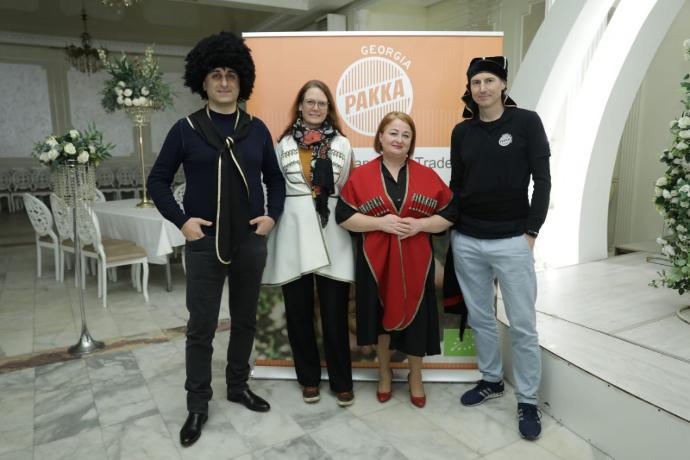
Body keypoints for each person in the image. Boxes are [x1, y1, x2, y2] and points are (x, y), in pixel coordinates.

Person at [147, 31, 285, 447]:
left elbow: (275, 180)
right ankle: (197, 403)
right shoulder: (185, 130)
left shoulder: (257, 130)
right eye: (215, 76)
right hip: (204, 243)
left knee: (245, 320)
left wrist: (271, 217)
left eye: (231, 75)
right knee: (201, 327)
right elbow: (157, 181)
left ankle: (238, 386)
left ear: (242, 82)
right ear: (202, 82)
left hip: (248, 242)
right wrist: (182, 220)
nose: (224, 83)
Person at [449, 56, 551, 440]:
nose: (483, 89)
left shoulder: (527, 122)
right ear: (470, 89)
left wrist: (531, 233)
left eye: (490, 81)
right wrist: (452, 227)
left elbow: (542, 181)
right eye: (476, 83)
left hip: (512, 240)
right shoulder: (463, 132)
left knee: (523, 325)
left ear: (503, 85)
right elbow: (458, 186)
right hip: (469, 240)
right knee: (481, 317)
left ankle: (527, 400)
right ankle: (491, 380)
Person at [336, 112, 455, 409]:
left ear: (412, 142)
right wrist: (381, 223)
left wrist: (421, 225)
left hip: (418, 263)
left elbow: (450, 215)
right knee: (380, 320)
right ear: (380, 137)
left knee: (417, 323)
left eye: (405, 135)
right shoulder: (361, 177)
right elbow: (344, 217)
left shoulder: (427, 176)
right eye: (393, 133)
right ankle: (384, 372)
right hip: (375, 265)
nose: (399, 139)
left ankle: (416, 376)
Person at [261, 80, 355, 406]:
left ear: (329, 109)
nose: (315, 108)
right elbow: (273, 186)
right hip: (293, 233)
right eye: (309, 102)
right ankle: (309, 379)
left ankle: (342, 381)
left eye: (322, 103)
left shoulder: (343, 144)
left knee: (334, 313)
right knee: (298, 312)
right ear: (300, 106)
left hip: (332, 233)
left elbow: (345, 187)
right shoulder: (283, 143)